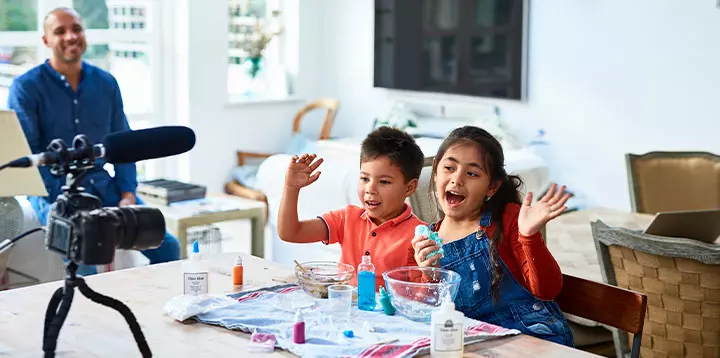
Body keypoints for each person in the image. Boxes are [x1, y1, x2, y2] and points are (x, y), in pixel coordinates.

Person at [7, 7, 180, 275]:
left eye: (76, 29)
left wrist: (127, 192)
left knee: (167, 246)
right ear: (46, 41)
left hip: (103, 187)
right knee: (84, 257)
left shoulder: (106, 83)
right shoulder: (26, 88)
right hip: (56, 193)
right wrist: (62, 201)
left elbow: (125, 142)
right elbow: (32, 156)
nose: (70, 36)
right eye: (60, 31)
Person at [411, 126, 574, 347]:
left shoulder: (509, 219)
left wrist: (529, 236)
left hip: (533, 337)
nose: (457, 180)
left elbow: (548, 290)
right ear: (436, 173)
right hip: (475, 342)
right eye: (449, 167)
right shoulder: (429, 239)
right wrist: (428, 274)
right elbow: (426, 315)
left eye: (472, 173)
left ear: (492, 187)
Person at [278, 126, 426, 289]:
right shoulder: (347, 218)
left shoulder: (419, 236)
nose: (370, 188)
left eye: (384, 182)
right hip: (344, 308)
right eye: (364, 178)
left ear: (409, 188)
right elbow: (290, 232)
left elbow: (420, 295)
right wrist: (291, 188)